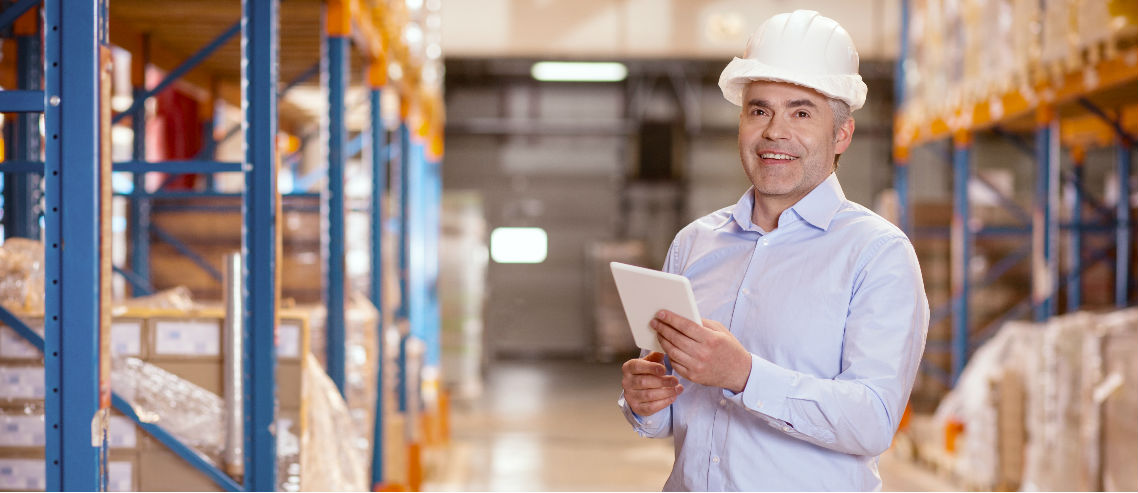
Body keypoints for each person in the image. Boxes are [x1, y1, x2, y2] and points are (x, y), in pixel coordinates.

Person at [618, 10, 930, 491]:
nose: (774, 133)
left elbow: (873, 420)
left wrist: (744, 375)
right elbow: (671, 414)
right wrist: (645, 402)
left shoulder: (877, 254)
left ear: (841, 134)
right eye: (759, 110)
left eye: (801, 112)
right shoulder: (695, 243)